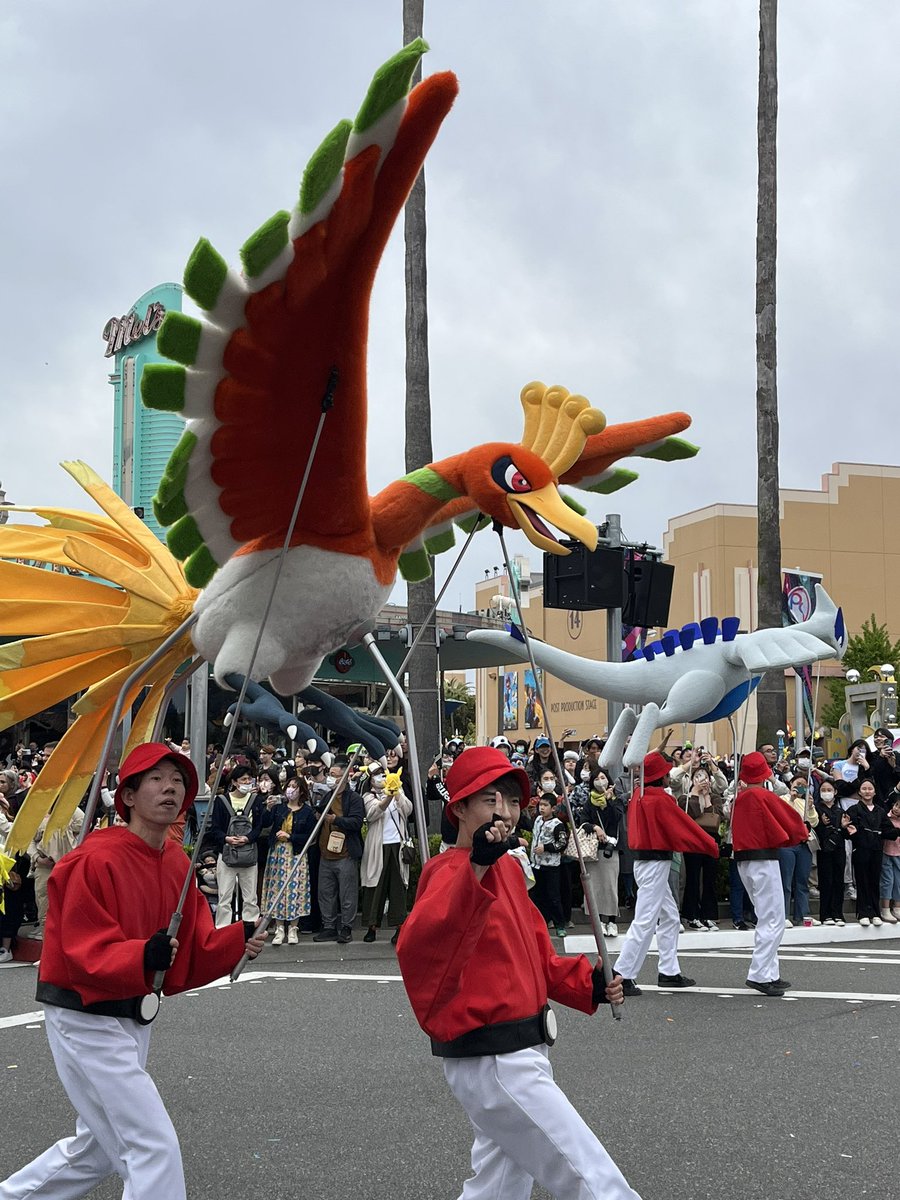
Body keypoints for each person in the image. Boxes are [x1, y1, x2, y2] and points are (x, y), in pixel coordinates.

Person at [0, 743, 266, 1200]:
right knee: (151, 1144)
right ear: (127, 795)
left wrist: (238, 937)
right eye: (157, 779)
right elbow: (81, 947)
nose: (170, 788)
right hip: (85, 1014)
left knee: (99, 1149)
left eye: (178, 781)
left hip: (131, 1013)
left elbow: (189, 951)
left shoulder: (178, 864)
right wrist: (143, 956)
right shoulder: (93, 858)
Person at [396, 747, 637, 1200]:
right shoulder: (447, 871)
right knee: (590, 1175)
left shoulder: (507, 868)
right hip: (496, 1059)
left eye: (509, 800)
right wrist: (478, 865)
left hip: (516, 1051)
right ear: (460, 808)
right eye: (489, 800)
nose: (503, 811)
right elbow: (427, 941)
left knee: (497, 1187)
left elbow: (535, 955)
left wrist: (588, 983)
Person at [613, 753, 717, 997]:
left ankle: (668, 971)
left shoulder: (637, 797)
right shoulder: (660, 800)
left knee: (669, 917)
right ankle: (622, 974)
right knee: (645, 919)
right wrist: (710, 845)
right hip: (656, 863)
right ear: (661, 777)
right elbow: (685, 828)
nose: (670, 776)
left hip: (645, 862)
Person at [731, 752, 808, 997]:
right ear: (765, 772)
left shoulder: (739, 798)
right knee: (774, 918)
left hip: (744, 861)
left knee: (766, 916)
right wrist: (800, 834)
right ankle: (760, 974)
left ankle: (771, 973)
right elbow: (793, 821)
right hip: (764, 860)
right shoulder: (764, 796)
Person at [313, 759, 365, 944]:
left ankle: (346, 927)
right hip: (326, 852)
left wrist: (336, 819)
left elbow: (357, 822)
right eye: (330, 774)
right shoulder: (327, 797)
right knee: (325, 892)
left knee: (347, 893)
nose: (330, 778)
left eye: (334, 775)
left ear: (344, 776)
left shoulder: (354, 799)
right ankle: (329, 926)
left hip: (345, 853)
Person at [360, 764, 413, 945]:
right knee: (375, 888)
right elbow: (373, 813)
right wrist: (388, 797)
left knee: (398, 888)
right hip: (378, 847)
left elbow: (408, 809)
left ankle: (399, 927)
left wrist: (396, 792)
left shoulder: (399, 790)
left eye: (383, 774)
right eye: (376, 775)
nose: (381, 778)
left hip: (397, 845)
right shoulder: (368, 796)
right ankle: (371, 927)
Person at [209, 764, 266, 928]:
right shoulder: (222, 801)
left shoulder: (256, 800)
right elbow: (215, 828)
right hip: (226, 854)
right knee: (224, 895)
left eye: (249, 779)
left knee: (250, 896)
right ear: (234, 782)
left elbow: (259, 827)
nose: (247, 782)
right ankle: (223, 929)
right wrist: (227, 839)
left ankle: (250, 927)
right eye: (243, 779)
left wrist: (248, 838)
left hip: (249, 854)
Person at [261, 774, 316, 944]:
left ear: (301, 791)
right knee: (277, 888)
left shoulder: (307, 811)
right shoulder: (279, 807)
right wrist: (268, 809)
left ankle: (293, 928)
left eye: (294, 786)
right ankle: (278, 928)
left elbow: (310, 836)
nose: (290, 789)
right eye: (289, 786)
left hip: (296, 854)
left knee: (295, 890)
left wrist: (290, 836)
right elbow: (265, 824)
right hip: (277, 853)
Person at [570, 767, 622, 937]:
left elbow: (618, 818)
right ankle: (598, 920)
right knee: (596, 888)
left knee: (610, 886)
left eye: (603, 777)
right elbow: (583, 822)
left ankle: (612, 921)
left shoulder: (616, 799)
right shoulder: (589, 802)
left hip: (611, 849)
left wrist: (610, 801)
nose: (600, 781)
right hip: (593, 850)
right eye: (597, 778)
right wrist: (595, 827)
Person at [841, 779, 900, 925]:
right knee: (862, 881)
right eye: (864, 789)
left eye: (870, 789)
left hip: (876, 850)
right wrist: (844, 827)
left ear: (874, 792)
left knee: (874, 881)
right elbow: (847, 831)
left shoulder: (880, 811)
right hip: (860, 849)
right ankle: (863, 913)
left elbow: (888, 831)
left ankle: (875, 912)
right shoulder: (853, 810)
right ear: (859, 792)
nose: (867, 791)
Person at [678, 766, 724, 931]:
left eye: (705, 776)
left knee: (709, 879)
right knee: (693, 879)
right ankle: (691, 915)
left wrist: (708, 798)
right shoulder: (685, 799)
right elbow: (694, 813)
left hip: (711, 841)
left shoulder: (716, 798)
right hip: (693, 842)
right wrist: (697, 794)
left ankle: (709, 915)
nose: (702, 779)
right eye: (697, 776)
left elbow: (716, 817)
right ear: (691, 780)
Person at [778, 775, 820, 927]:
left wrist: (810, 807)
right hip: (787, 844)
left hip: (804, 844)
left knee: (802, 882)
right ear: (791, 784)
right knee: (786, 882)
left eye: (804, 785)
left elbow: (814, 822)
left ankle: (803, 914)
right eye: (798, 784)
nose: (801, 787)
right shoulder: (783, 799)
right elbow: (782, 816)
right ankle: (783, 915)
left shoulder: (806, 802)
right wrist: (791, 798)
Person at [530, 793, 569, 937]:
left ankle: (560, 924)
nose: (542, 808)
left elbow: (562, 844)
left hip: (551, 866)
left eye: (545, 806)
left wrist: (545, 848)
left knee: (553, 896)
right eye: (541, 805)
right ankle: (540, 922)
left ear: (553, 808)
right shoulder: (538, 820)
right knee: (537, 896)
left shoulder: (558, 824)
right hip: (535, 864)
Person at [814, 782, 846, 926]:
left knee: (839, 880)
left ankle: (837, 913)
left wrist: (842, 828)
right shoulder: (816, 809)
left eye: (829, 790)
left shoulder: (839, 811)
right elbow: (816, 829)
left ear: (835, 792)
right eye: (823, 790)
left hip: (839, 848)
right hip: (824, 849)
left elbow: (845, 831)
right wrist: (823, 824)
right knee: (826, 881)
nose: (826, 792)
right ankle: (825, 914)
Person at [879, 795, 900, 923]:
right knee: (887, 881)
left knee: (898, 881)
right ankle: (885, 908)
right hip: (886, 852)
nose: (897, 809)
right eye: (896, 805)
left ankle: (897, 907)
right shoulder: (886, 817)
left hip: (899, 853)